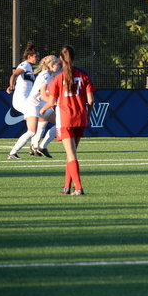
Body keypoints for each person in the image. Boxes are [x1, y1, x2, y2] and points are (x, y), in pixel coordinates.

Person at [40, 45, 95, 195]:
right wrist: (88, 115)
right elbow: (90, 101)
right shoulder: (84, 76)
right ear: (74, 57)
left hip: (65, 119)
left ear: (61, 59)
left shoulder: (58, 78)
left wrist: (43, 109)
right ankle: (66, 187)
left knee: (71, 155)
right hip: (80, 118)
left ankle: (78, 188)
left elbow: (51, 102)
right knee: (71, 154)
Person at [8, 55, 59, 159]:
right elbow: (43, 95)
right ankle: (12, 153)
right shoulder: (45, 75)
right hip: (33, 105)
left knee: (60, 124)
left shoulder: (51, 75)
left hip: (42, 104)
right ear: (51, 65)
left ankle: (42, 147)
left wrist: (50, 102)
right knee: (31, 131)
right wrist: (55, 102)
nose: (59, 66)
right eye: (57, 64)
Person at [6, 42, 39, 159]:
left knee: (37, 123)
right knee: (33, 129)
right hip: (21, 100)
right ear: (29, 57)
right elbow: (14, 75)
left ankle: (34, 148)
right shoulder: (25, 65)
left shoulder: (30, 68)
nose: (37, 58)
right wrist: (11, 86)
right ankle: (15, 152)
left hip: (27, 100)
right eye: (35, 56)